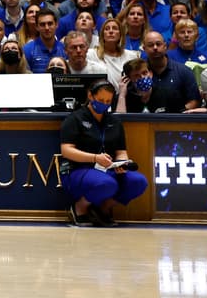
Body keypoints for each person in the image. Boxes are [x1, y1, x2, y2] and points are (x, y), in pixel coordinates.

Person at [59, 80, 149, 227]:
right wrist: (95, 158)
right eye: (101, 100)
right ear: (90, 95)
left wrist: (122, 163)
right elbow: (66, 150)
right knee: (107, 183)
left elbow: (121, 152)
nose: (104, 104)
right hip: (79, 169)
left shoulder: (115, 121)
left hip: (108, 169)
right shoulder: (74, 119)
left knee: (138, 181)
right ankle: (79, 208)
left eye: (108, 101)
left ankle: (102, 208)